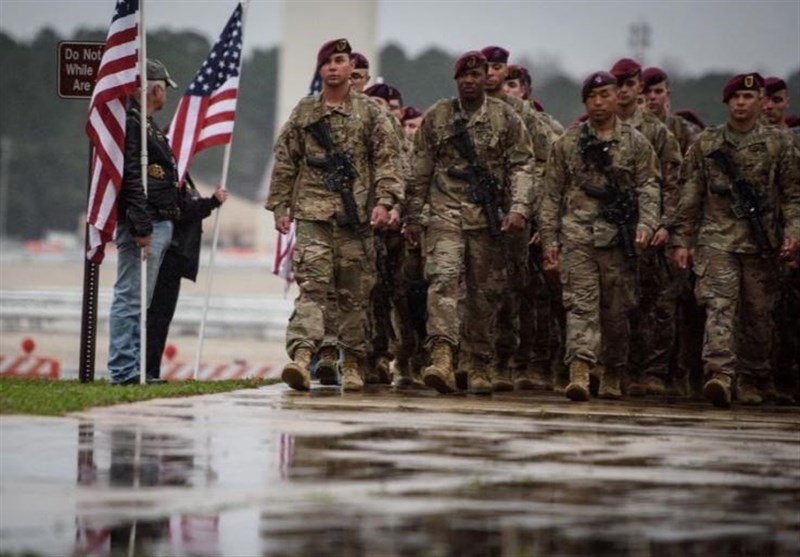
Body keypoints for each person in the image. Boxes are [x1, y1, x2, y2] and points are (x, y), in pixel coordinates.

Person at [266, 38, 404, 392]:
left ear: (350, 67)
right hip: (314, 216)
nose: (332, 66)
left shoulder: (371, 114)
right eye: (326, 60)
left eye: (339, 60)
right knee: (312, 289)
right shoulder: (305, 112)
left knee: (354, 295)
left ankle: (354, 361)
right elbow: (286, 161)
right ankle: (300, 356)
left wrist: (385, 202)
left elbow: (388, 162)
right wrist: (281, 206)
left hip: (356, 218)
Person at [405, 50, 534, 394]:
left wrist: (519, 207)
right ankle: (443, 356)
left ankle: (479, 363)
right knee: (442, 282)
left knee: (483, 295)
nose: (471, 81)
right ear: (457, 79)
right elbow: (420, 169)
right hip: (445, 215)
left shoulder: (505, 119)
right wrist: (414, 217)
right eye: (465, 75)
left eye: (476, 75)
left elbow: (522, 165)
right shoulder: (439, 117)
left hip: (487, 222)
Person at [672, 73, 800, 408]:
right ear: (727, 103)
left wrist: (793, 234)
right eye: (735, 98)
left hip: (763, 243)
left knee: (759, 315)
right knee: (719, 306)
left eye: (748, 97)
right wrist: (682, 240)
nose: (741, 104)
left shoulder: (779, 144)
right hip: (717, 239)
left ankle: (752, 375)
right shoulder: (708, 142)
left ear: (760, 101)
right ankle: (721, 375)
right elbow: (690, 194)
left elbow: (793, 196)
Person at [538, 71, 661, 402]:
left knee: (616, 311)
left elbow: (649, 187)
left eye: (605, 95)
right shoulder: (568, 143)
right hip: (577, 238)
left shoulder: (635, 143)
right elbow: (551, 195)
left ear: (616, 97)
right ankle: (579, 369)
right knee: (580, 307)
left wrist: (646, 225)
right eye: (592, 97)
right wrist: (550, 241)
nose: (599, 102)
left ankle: (613, 371)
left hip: (618, 243)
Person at [480, 45, 555, 392]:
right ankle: (482, 359)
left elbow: (547, 164)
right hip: (475, 214)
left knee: (518, 291)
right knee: (480, 291)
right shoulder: (464, 111)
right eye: (487, 67)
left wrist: (529, 209)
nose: (492, 74)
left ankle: (518, 362)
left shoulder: (525, 116)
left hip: (516, 216)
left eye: (498, 67)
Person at [610, 58, 683, 397]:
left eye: (630, 83)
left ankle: (653, 372)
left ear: (638, 87)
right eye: (618, 83)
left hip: (651, 229)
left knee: (655, 304)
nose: (624, 90)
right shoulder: (600, 127)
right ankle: (620, 369)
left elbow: (672, 183)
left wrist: (665, 224)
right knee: (618, 302)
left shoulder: (656, 131)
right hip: (611, 228)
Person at [108, 59, 180, 386]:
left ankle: (134, 369)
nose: (166, 95)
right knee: (130, 298)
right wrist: (141, 226)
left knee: (141, 301)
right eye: (164, 88)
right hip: (145, 223)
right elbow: (131, 178)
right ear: (155, 88)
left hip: (156, 219)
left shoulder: (145, 124)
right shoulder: (134, 125)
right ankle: (124, 371)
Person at [145, 176, 228, 380]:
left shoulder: (184, 177)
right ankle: (146, 369)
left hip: (175, 260)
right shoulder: (171, 177)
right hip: (167, 258)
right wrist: (212, 202)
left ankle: (151, 369)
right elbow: (181, 210)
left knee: (161, 319)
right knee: (155, 318)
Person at [641, 67, 701, 155]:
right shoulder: (630, 128)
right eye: (647, 91)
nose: (652, 97)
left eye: (658, 91)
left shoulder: (684, 130)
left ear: (667, 95)